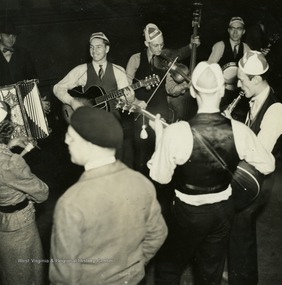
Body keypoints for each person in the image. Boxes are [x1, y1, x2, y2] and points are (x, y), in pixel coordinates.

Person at [147, 61, 275, 284]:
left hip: (188, 213)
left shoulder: (176, 132)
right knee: (210, 272)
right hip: (223, 212)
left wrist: (160, 138)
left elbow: (160, 177)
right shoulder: (240, 130)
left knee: (168, 268)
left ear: (194, 92)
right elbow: (268, 165)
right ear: (223, 89)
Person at [49, 106, 167, 284]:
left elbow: (64, 275)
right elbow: (158, 233)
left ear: (89, 145)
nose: (66, 141)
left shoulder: (71, 202)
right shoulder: (141, 182)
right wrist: (134, 266)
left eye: (71, 137)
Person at [227, 50, 282, 285]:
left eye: (242, 80)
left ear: (256, 79)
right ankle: (238, 274)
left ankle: (243, 279)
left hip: (258, 182)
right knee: (238, 231)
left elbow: (258, 154)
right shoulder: (255, 98)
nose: (239, 85)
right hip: (248, 175)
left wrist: (230, 130)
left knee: (242, 233)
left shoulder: (275, 110)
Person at [126, 23, 198, 175]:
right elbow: (126, 88)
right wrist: (135, 101)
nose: (160, 49)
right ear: (147, 43)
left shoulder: (165, 61)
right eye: (156, 45)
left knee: (161, 155)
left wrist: (184, 86)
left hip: (161, 113)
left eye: (162, 44)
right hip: (141, 114)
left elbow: (171, 89)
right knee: (140, 157)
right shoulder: (136, 59)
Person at [53, 31, 134, 165]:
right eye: (91, 47)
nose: (94, 50)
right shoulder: (82, 70)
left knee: (116, 162)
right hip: (90, 126)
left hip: (113, 125)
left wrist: (130, 99)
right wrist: (72, 101)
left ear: (107, 49)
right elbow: (58, 88)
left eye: (98, 47)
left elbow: (126, 101)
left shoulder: (118, 70)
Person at [0, 101, 49, 285]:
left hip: (3, 224)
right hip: (20, 229)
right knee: (29, 276)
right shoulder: (12, 163)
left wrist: (11, 145)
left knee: (9, 274)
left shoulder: (8, 162)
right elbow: (42, 193)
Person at [0, 18, 50, 113]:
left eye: (14, 35)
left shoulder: (23, 53)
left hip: (24, 103)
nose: (11, 38)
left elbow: (33, 79)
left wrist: (38, 100)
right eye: (7, 35)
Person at [208, 16, 251, 110]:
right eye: (232, 28)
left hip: (238, 91)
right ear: (228, 30)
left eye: (239, 29)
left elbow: (249, 71)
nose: (235, 32)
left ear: (243, 31)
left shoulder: (246, 48)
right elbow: (209, 69)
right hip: (221, 91)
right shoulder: (220, 46)